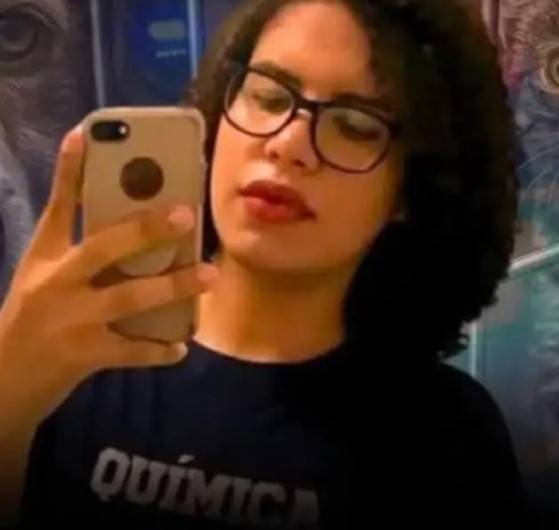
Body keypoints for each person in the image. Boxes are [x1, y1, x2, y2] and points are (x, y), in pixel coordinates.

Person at [0, 0, 536, 528]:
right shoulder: (68, 367)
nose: (288, 143)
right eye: (268, 96)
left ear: (410, 188)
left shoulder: (445, 437)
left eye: (353, 124)